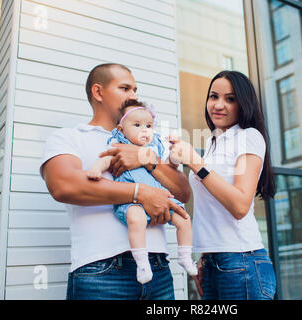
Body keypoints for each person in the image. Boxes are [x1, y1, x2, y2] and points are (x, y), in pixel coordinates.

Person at [40, 63, 190, 300]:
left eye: (136, 90)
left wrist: (146, 159)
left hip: (159, 271)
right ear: (98, 92)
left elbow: (183, 193)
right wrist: (140, 193)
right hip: (101, 273)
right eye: (125, 88)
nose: (134, 96)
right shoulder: (69, 137)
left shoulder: (150, 142)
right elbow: (64, 185)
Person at [168, 70, 277, 300]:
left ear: (243, 104)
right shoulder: (212, 142)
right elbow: (211, 210)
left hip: (242, 263)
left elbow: (239, 205)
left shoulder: (249, 137)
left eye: (230, 99)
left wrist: (195, 162)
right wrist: (204, 257)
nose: (218, 105)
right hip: (213, 263)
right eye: (213, 96)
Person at [87, 100, 198, 284]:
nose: (144, 130)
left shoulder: (155, 147)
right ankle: (142, 263)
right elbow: (107, 160)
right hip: (132, 202)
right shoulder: (118, 146)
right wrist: (97, 168)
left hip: (161, 198)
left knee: (184, 218)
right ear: (121, 130)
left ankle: (185, 256)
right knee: (136, 220)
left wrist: (174, 157)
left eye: (148, 126)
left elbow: (168, 168)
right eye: (137, 125)